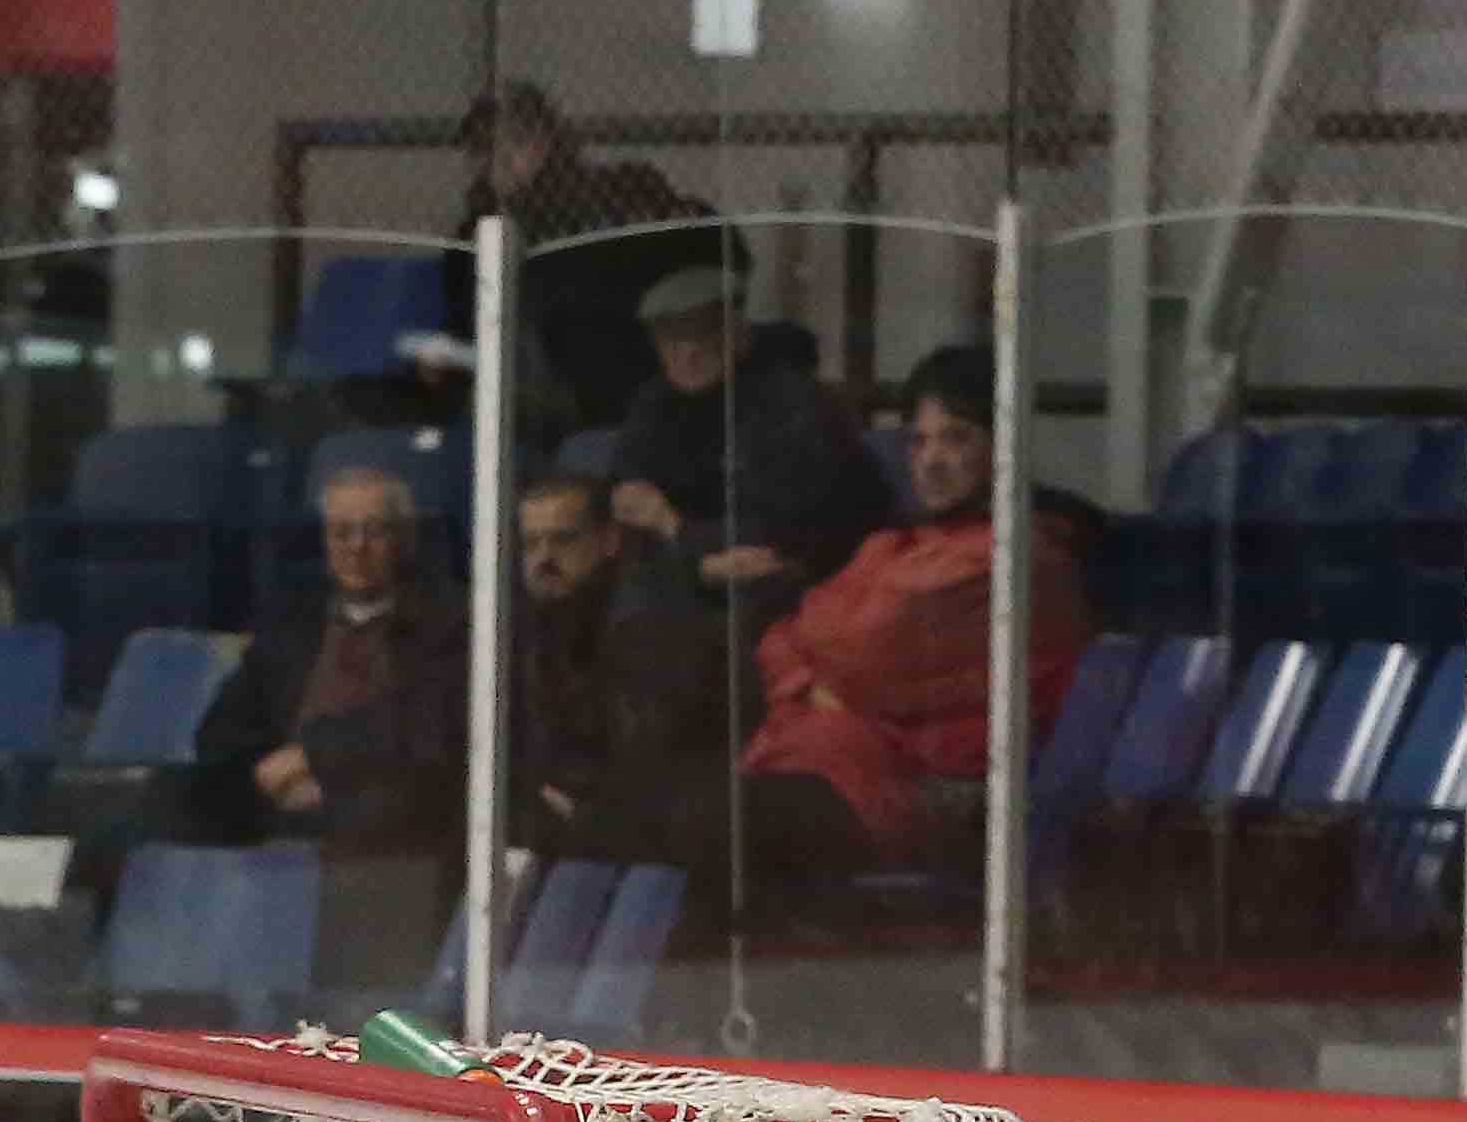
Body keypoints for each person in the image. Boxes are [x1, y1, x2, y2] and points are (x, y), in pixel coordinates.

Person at [720, 345, 1089, 914]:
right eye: (919, 441)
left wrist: (823, 677)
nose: (932, 460)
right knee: (664, 818)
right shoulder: (893, 546)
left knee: (697, 828)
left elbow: (864, 654)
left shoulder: (1017, 559)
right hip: (841, 765)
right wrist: (816, 684)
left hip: (926, 797)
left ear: (1004, 445)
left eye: (957, 438)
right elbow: (782, 637)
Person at [189, 456, 471, 862]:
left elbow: (432, 726)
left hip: (391, 803)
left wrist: (318, 761)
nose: (357, 547)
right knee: (164, 795)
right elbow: (219, 731)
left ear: (406, 539)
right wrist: (269, 774)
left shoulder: (448, 619)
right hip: (282, 798)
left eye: (375, 532)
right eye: (342, 533)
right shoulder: (292, 621)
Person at [602, 269, 892, 606]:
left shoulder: (798, 404)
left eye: (701, 334)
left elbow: (782, 536)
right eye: (671, 340)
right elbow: (624, 497)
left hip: (805, 583)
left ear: (738, 331)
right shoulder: (655, 401)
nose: (687, 353)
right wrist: (697, 562)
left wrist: (674, 526)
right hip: (695, 576)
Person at [453, 83, 716, 441]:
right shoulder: (478, 227)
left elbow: (706, 254)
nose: (498, 162)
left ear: (547, 141)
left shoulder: (619, 189)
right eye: (483, 151)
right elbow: (469, 313)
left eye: (516, 143)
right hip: (539, 371)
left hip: (618, 353)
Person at [510, 467, 737, 878]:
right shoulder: (528, 623)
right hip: (577, 813)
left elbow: (651, 757)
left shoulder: (655, 622)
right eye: (531, 544)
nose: (544, 558)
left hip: (650, 832)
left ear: (608, 540)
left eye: (563, 540)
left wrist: (565, 798)